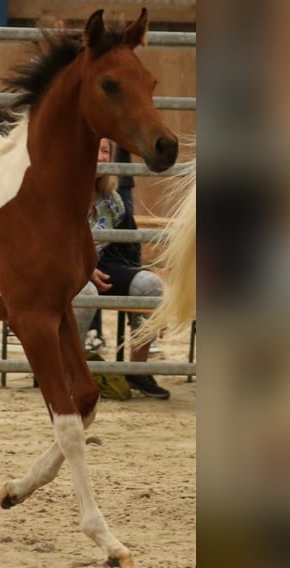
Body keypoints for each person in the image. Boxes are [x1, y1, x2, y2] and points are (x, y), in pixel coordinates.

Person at [74, 138, 171, 400]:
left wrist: (154, 300)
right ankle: (72, 371)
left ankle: (137, 369)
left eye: (105, 151)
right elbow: (48, 241)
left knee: (152, 286)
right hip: (65, 268)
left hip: (102, 265)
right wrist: (83, 267)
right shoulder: (62, 193)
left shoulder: (112, 199)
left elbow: (127, 249)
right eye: (95, 150)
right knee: (87, 294)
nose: (101, 157)